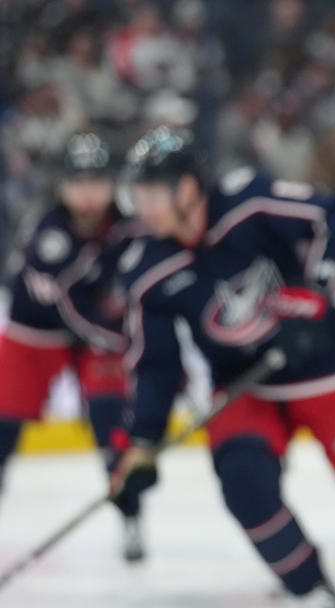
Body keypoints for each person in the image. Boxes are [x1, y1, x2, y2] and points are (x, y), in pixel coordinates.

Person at [109, 126, 335, 607]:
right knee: (244, 483)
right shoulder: (147, 267)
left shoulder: (248, 203)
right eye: (139, 194)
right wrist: (143, 442)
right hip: (247, 389)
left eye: (153, 192)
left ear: (188, 188)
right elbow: (155, 365)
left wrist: (314, 295)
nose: (144, 206)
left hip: (329, 370)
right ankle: (312, 592)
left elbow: (333, 217)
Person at [0, 132, 147, 561]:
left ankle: (131, 517)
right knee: (3, 426)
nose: (87, 193)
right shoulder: (46, 236)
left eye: (96, 182)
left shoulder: (129, 228)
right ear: (62, 186)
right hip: (36, 335)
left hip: (97, 335)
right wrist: (123, 339)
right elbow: (71, 311)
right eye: (78, 182)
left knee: (111, 422)